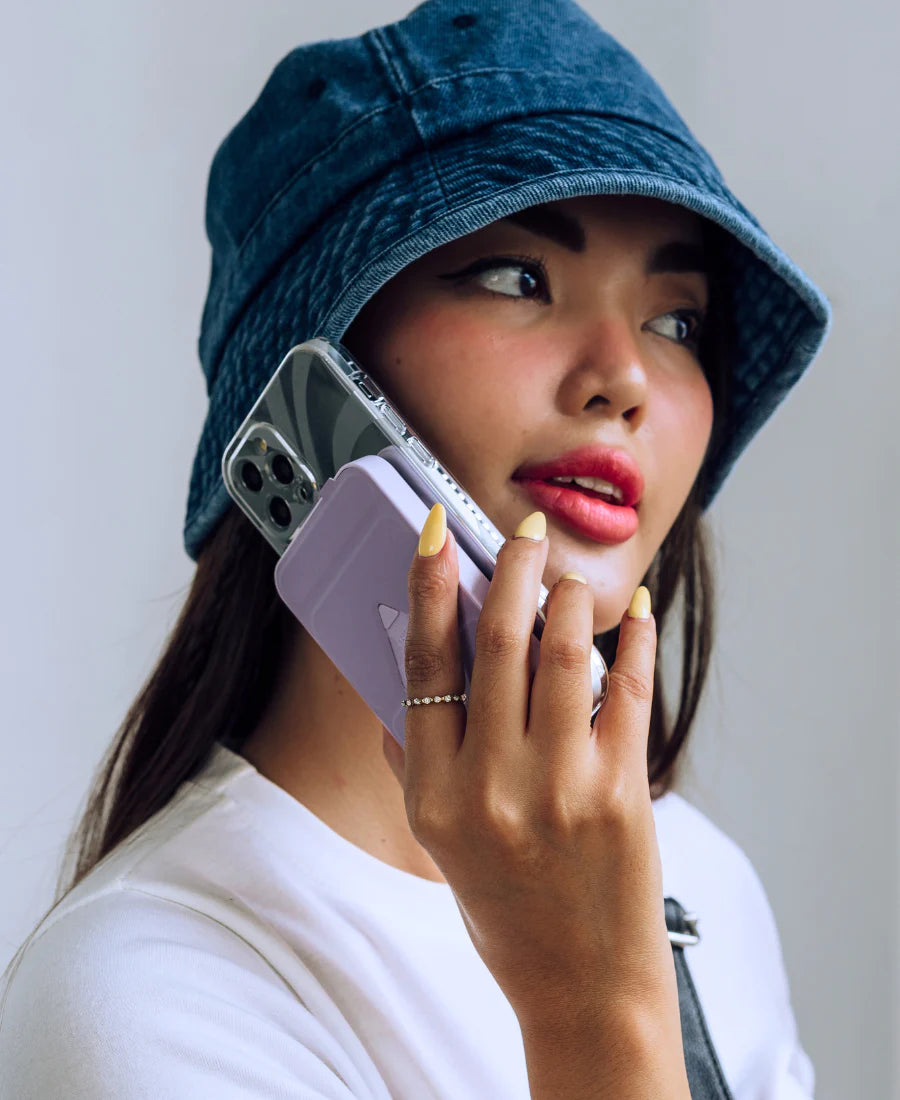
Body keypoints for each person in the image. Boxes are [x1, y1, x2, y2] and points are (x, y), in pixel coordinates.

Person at [0, 0, 831, 1096]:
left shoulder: (698, 881)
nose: (623, 375)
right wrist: (594, 1003)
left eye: (675, 321)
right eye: (518, 277)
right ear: (314, 386)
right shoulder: (147, 994)